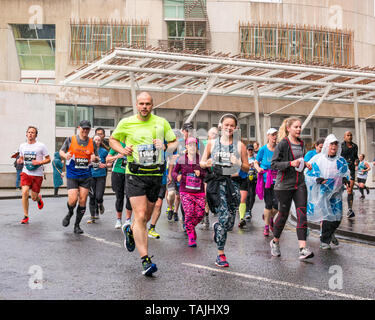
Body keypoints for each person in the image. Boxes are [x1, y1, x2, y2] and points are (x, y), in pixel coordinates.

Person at [109, 92, 177, 276]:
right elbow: (112, 139)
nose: (144, 106)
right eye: (141, 103)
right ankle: (145, 260)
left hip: (155, 174)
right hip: (135, 174)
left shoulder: (161, 122)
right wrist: (122, 150)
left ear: (152, 105)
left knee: (145, 218)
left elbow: (174, 143)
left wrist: (165, 147)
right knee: (139, 215)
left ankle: (130, 231)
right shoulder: (126, 122)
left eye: (147, 103)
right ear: (136, 105)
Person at [201, 114, 249, 267]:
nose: (229, 128)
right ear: (221, 125)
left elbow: (247, 168)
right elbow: (202, 162)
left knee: (229, 222)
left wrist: (239, 162)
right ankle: (220, 254)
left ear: (235, 128)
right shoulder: (212, 143)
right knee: (223, 216)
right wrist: (206, 163)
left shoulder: (239, 145)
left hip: (233, 184)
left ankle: (218, 228)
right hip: (216, 183)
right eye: (226, 125)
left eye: (232, 125)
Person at [270, 117, 314, 261]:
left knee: (302, 214)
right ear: (288, 128)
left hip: (299, 183)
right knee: (283, 215)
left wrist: (305, 163)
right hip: (284, 186)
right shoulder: (282, 144)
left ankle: (302, 249)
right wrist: (290, 163)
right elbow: (274, 164)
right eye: (296, 127)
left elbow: (299, 160)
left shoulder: (302, 143)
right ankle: (275, 241)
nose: (299, 129)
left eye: (300, 127)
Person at [305, 134, 350, 250]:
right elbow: (308, 173)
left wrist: (346, 179)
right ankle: (324, 241)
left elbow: (346, 172)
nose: (334, 146)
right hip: (323, 192)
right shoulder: (318, 159)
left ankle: (329, 233)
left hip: (336, 193)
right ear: (327, 145)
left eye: (336, 144)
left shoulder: (341, 160)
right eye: (331, 144)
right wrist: (317, 179)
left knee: (337, 218)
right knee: (326, 216)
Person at [59, 120, 99, 234]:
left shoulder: (92, 142)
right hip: (72, 174)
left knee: (82, 200)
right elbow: (61, 151)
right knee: (72, 200)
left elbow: (97, 157)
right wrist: (65, 155)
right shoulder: (71, 139)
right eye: (83, 128)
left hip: (86, 175)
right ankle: (70, 212)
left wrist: (94, 158)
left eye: (87, 129)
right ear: (79, 128)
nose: (85, 130)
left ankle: (77, 225)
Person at [172, 137, 207, 247]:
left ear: (197, 146)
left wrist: (200, 174)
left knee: (200, 214)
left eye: (194, 145)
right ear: (186, 146)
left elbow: (208, 174)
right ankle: (191, 236)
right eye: (190, 145)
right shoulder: (182, 159)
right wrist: (177, 176)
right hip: (185, 191)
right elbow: (174, 172)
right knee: (189, 212)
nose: (192, 147)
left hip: (199, 192)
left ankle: (190, 227)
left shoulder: (201, 159)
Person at [17, 126, 50, 224]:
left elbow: (48, 159)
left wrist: (39, 163)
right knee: (24, 192)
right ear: (26, 134)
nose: (30, 134)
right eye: (29, 132)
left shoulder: (41, 146)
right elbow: (22, 157)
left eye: (33, 132)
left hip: (37, 174)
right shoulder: (22, 146)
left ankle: (38, 198)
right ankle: (26, 216)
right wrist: (20, 160)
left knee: (33, 197)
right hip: (26, 172)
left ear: (36, 135)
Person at [254, 128, 279, 237]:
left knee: (277, 206)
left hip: (278, 180)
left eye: (276, 135)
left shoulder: (279, 149)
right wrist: (258, 168)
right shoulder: (263, 149)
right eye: (272, 135)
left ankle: (269, 217)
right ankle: (266, 227)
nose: (274, 137)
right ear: (268, 136)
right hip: (266, 179)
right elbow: (256, 162)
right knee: (268, 204)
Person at [106, 141, 132, 229]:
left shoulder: (133, 142)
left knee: (130, 196)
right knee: (119, 196)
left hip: (130, 172)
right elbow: (107, 159)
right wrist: (118, 156)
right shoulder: (117, 145)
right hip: (117, 172)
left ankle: (128, 220)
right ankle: (118, 219)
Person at [87, 135, 109, 223]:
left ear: (101, 142)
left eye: (98, 140)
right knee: (92, 196)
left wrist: (105, 165)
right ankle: (93, 216)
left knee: (98, 196)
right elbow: (86, 162)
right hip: (90, 175)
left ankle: (100, 203)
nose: (97, 141)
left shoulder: (104, 151)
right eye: (95, 140)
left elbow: (109, 162)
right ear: (92, 141)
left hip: (101, 175)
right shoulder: (89, 151)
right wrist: (94, 164)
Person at [341, 131, 359, 219]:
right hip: (342, 170)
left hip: (351, 170)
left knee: (350, 189)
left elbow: (356, 157)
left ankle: (350, 209)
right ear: (344, 137)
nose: (350, 137)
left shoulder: (355, 146)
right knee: (338, 189)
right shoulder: (341, 146)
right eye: (348, 135)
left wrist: (356, 161)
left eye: (351, 135)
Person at [244, 144, 257, 222]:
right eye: (249, 150)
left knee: (252, 195)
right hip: (246, 178)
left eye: (251, 150)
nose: (250, 151)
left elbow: (259, 165)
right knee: (247, 195)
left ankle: (249, 209)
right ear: (246, 150)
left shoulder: (256, 158)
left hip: (254, 179)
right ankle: (247, 211)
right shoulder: (244, 158)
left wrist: (254, 166)